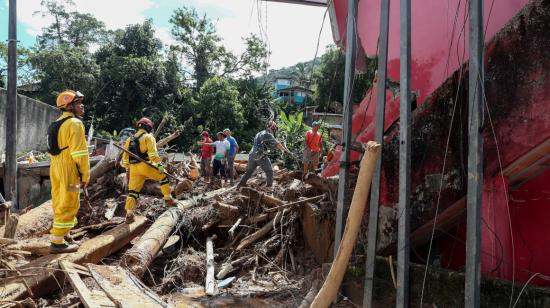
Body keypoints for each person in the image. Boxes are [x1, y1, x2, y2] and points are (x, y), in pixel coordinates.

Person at [47, 90, 90, 253]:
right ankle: (57, 241)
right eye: (78, 102)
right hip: (69, 169)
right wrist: (85, 175)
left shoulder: (55, 124)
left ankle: (65, 233)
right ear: (69, 106)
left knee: (59, 199)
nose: (82, 105)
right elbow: (80, 154)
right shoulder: (75, 123)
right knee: (70, 201)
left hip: (56, 168)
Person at [121, 117, 176, 223]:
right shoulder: (148, 137)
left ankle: (129, 214)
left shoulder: (129, 140)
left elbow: (125, 159)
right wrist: (160, 166)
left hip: (134, 169)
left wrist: (128, 169)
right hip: (145, 166)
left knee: (133, 191)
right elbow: (153, 155)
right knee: (163, 176)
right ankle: (168, 199)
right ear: (148, 127)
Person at [237, 121, 290, 188]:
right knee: (269, 171)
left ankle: (240, 185)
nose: (274, 132)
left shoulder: (259, 133)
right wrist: (285, 151)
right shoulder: (268, 134)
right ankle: (269, 188)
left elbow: (266, 145)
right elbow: (277, 144)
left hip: (252, 154)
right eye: (275, 129)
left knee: (248, 172)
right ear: (273, 128)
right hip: (260, 155)